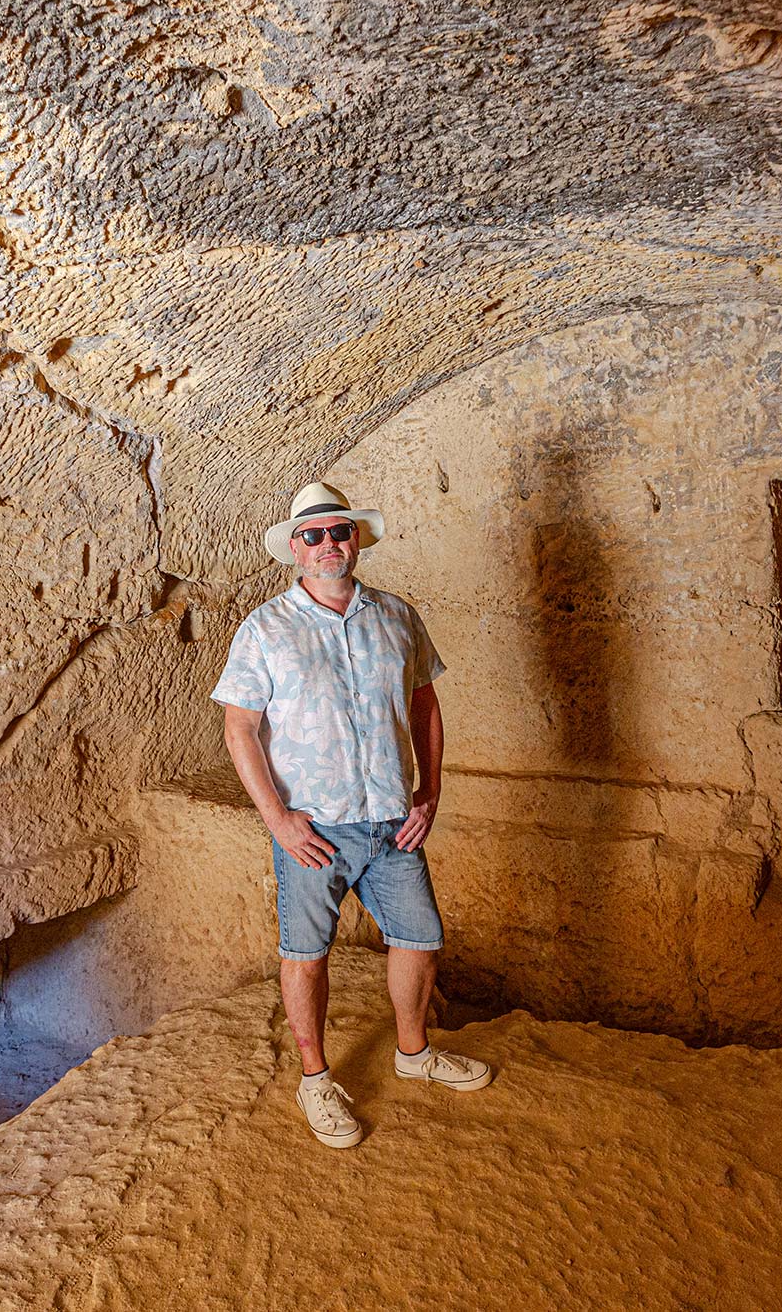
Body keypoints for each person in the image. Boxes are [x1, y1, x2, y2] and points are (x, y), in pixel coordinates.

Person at [211, 481, 494, 1149]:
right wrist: (279, 821)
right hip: (314, 826)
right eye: (313, 535)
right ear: (295, 550)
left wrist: (430, 791)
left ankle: (414, 1052)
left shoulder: (395, 616)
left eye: (339, 532)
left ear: (357, 538)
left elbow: (423, 704)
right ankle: (316, 1079)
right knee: (306, 956)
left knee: (419, 937)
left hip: (393, 818)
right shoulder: (265, 629)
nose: (328, 544)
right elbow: (239, 731)